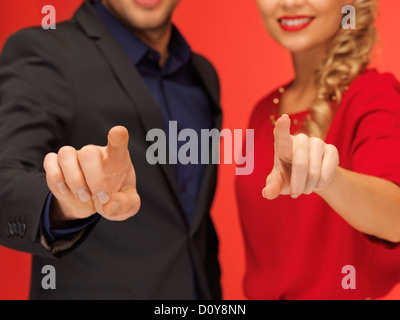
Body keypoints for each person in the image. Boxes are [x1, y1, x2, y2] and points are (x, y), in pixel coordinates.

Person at [0, 0, 222, 299]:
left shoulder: (201, 74)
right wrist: (65, 203)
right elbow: (5, 179)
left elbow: (191, 219)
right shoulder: (44, 52)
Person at [236, 0, 400, 299]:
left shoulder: (371, 95)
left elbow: (395, 216)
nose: (288, 3)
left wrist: (328, 179)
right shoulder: (263, 112)